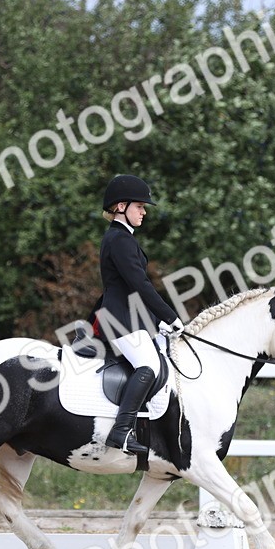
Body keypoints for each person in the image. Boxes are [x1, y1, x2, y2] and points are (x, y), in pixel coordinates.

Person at [93, 174, 183, 455]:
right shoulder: (119, 240)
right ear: (121, 206)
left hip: (128, 317)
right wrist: (170, 316)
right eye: (139, 207)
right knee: (149, 366)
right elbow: (139, 285)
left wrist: (157, 323)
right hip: (119, 320)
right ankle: (120, 432)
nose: (144, 212)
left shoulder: (122, 238)